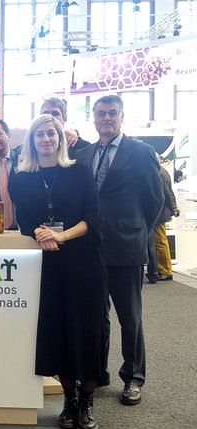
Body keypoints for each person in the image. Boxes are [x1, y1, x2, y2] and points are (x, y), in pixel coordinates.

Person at [9, 114, 106, 429]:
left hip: (84, 261)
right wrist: (42, 234)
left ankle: (87, 400)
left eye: (52, 133)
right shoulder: (22, 177)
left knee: (87, 329)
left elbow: (92, 218)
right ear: (32, 141)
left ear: (60, 139)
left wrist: (60, 236)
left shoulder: (79, 170)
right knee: (58, 330)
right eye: (40, 134)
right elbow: (25, 219)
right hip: (48, 264)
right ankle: (69, 400)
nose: (46, 139)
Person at [77, 95, 163, 405]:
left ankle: (133, 377)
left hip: (126, 246)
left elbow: (155, 200)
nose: (106, 118)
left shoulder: (140, 152)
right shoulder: (84, 155)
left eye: (112, 113)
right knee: (96, 316)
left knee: (130, 316)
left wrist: (136, 229)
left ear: (122, 116)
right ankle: (97, 372)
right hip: (90, 248)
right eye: (101, 113)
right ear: (94, 118)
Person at [148, 159, 180, 282]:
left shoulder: (158, 172)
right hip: (162, 211)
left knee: (160, 241)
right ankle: (163, 269)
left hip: (159, 212)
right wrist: (174, 207)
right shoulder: (163, 171)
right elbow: (170, 192)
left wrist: (174, 207)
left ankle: (166, 270)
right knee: (160, 241)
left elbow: (166, 193)